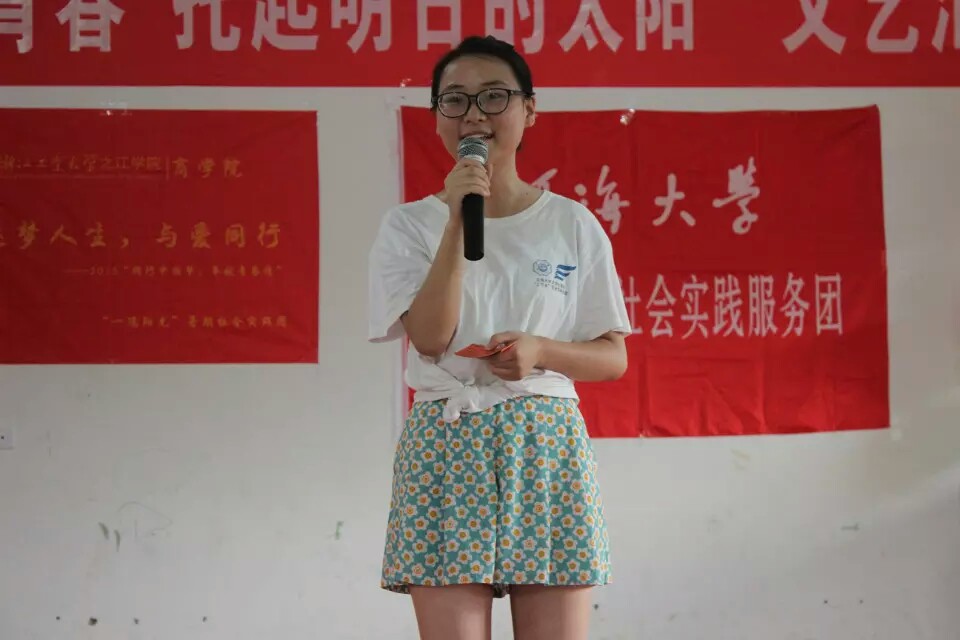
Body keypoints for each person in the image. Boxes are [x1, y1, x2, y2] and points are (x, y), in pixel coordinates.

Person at [367, 35, 632, 640]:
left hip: (546, 446)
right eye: (455, 100)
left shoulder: (571, 222)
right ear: (437, 116)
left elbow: (612, 357)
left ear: (528, 109)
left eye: (493, 96)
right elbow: (430, 337)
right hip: (446, 441)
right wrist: (458, 219)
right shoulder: (407, 226)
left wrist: (541, 352)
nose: (474, 115)